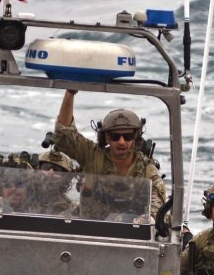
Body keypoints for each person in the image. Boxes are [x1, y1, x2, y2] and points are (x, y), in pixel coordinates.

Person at [53, 90, 166, 220]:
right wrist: (70, 93)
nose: (121, 142)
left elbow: (157, 206)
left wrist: (148, 219)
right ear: (107, 137)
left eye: (128, 136)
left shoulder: (146, 170)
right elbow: (65, 136)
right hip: (88, 227)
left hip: (130, 229)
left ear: (135, 137)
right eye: (115, 136)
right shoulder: (92, 156)